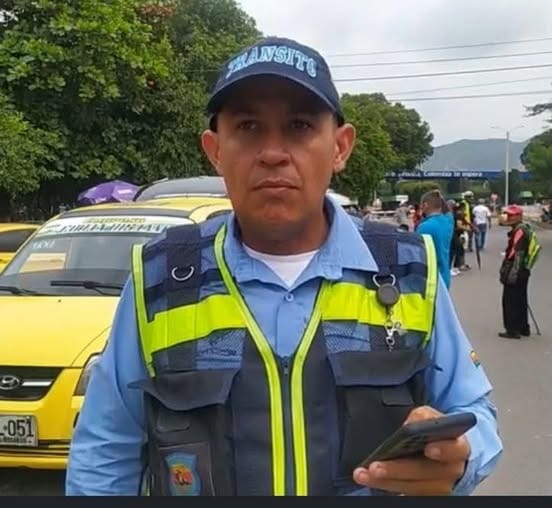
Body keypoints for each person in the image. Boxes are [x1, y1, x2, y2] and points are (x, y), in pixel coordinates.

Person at [65, 36, 502, 497]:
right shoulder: (161, 279)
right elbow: (104, 454)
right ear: (215, 149)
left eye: (299, 125)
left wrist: (459, 458)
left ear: (340, 147)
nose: (273, 152)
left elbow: (474, 412)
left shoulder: (406, 269)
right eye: (248, 126)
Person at [498, 205, 533, 339]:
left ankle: (512, 329)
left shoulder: (519, 231)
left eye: (511, 215)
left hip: (516, 269)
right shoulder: (525, 228)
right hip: (523, 270)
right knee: (520, 299)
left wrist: (512, 274)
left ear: (518, 217)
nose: (508, 218)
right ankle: (523, 327)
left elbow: (518, 253)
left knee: (510, 301)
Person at [416, 190, 454, 288]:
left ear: (425, 205)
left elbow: (417, 253)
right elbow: (447, 210)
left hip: (430, 278)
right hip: (445, 275)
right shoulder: (448, 221)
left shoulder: (424, 227)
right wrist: (438, 197)